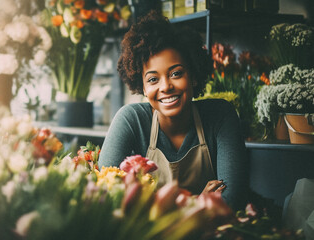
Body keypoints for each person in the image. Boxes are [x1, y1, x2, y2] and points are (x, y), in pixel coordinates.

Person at [98, 11, 249, 210]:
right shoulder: (131, 121)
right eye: (153, 79)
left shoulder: (220, 116)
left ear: (193, 75)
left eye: (176, 73)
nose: (166, 86)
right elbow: (108, 196)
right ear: (142, 87)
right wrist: (196, 202)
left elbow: (232, 200)